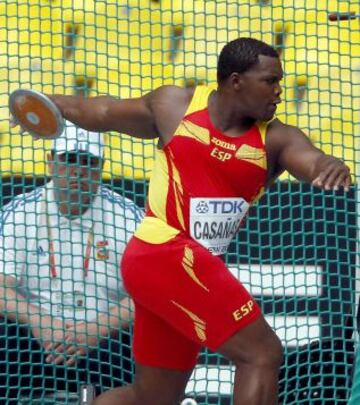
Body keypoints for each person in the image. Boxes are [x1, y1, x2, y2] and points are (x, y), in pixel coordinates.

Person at [11, 38, 351, 405]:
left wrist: (330, 165)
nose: (279, 92)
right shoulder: (176, 107)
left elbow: (313, 161)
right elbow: (105, 112)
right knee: (262, 353)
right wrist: (46, 104)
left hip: (181, 272)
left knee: (152, 398)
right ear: (236, 81)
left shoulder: (277, 139)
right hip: (163, 254)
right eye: (270, 81)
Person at [0, 121, 144, 402]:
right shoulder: (19, 212)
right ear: (51, 161)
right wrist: (38, 320)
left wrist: (97, 329)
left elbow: (153, 295)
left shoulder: (130, 218)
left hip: (106, 342)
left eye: (89, 161)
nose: (78, 171)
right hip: (35, 340)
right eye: (70, 159)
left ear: (102, 165)